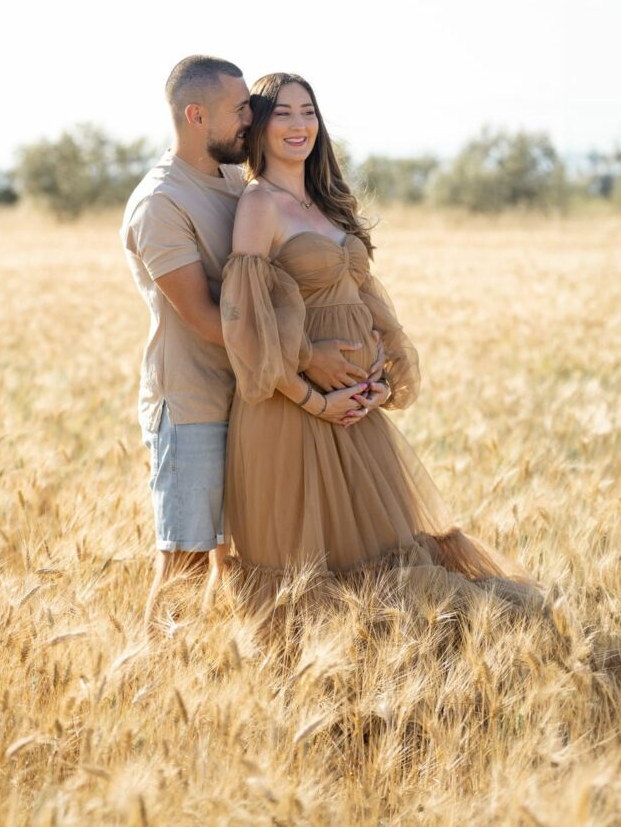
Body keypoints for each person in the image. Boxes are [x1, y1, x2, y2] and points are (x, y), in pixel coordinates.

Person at [220, 72, 543, 613]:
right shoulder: (259, 205)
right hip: (294, 411)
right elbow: (248, 324)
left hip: (356, 412)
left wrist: (380, 373)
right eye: (283, 113)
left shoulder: (328, 203)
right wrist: (315, 393)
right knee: (312, 575)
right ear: (259, 126)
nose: (299, 124)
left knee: (387, 569)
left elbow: (361, 296)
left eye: (308, 111)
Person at [121, 56, 385, 631]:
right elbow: (204, 317)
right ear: (196, 116)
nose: (253, 117)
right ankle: (151, 679)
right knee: (186, 560)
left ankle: (220, 671)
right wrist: (307, 364)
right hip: (194, 401)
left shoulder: (236, 183)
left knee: (236, 564)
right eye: (241, 109)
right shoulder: (161, 203)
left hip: (257, 396)